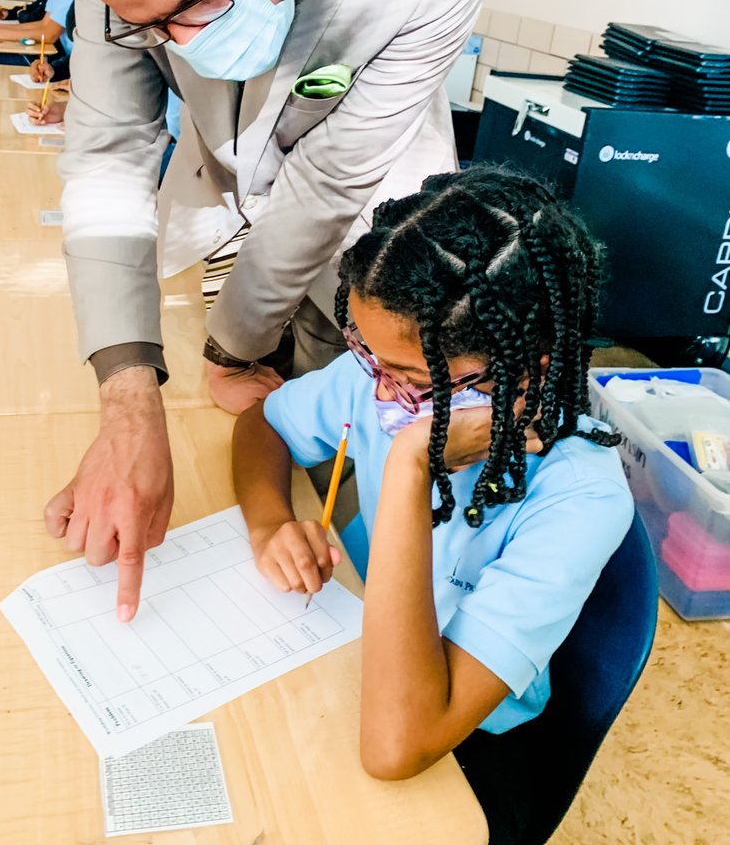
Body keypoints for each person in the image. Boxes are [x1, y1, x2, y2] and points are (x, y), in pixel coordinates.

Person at [43, 0, 495, 620]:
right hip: (246, 209)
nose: (184, 44)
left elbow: (328, 184)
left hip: (368, 231)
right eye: (149, 29)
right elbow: (108, 160)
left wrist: (230, 349)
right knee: (246, 439)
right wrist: (127, 399)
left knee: (361, 438)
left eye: (198, 2)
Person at [232, 167, 633, 844]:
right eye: (369, 361)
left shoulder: (579, 495)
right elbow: (263, 425)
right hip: (341, 647)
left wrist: (412, 469)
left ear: (526, 367)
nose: (382, 395)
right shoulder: (389, 374)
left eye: (413, 382)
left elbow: (397, 747)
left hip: (457, 739)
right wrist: (270, 519)